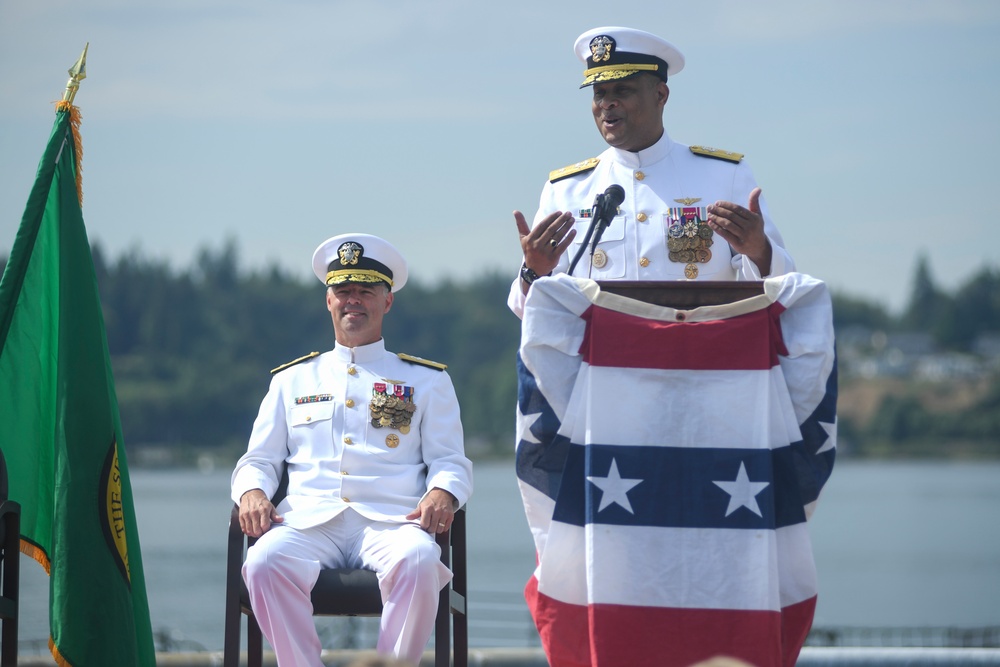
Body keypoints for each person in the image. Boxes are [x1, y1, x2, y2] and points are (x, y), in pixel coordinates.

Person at [231, 233, 473, 667]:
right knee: (263, 560)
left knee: (420, 558)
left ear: (388, 301)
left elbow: (451, 462)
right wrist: (252, 493)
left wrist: (443, 493)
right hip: (308, 521)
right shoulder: (292, 380)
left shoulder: (427, 381)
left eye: (366, 290)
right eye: (343, 291)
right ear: (329, 301)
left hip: (389, 521)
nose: (353, 301)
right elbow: (258, 460)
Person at [508, 25, 795, 317]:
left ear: (660, 94)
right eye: (599, 93)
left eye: (622, 90)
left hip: (699, 356)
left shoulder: (724, 175)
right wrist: (533, 271)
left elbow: (783, 288)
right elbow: (528, 312)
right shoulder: (566, 190)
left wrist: (760, 252)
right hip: (604, 359)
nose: (607, 103)